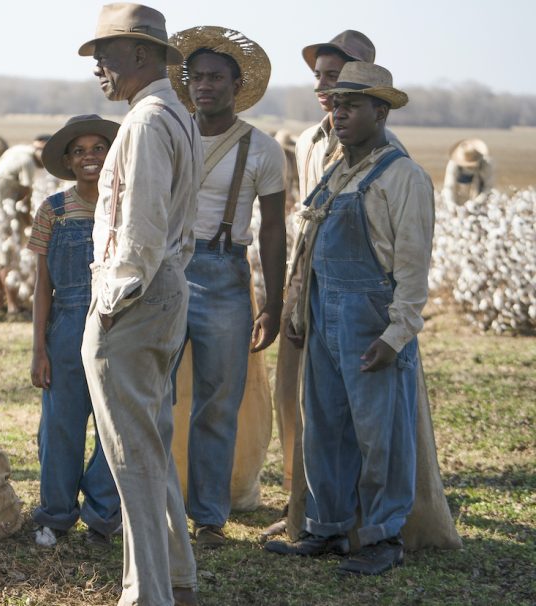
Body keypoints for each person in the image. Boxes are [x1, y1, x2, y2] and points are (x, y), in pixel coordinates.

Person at [266, 62, 433, 575]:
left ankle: (384, 538)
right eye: (335, 104)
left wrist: (396, 334)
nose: (339, 113)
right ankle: (328, 527)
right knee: (325, 426)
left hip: (370, 319)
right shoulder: (337, 171)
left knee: (380, 432)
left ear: (381, 111)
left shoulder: (402, 175)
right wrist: (298, 307)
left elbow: (412, 267)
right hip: (321, 314)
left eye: (353, 105)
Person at [76, 4, 202, 605]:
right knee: (149, 439)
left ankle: (147, 593)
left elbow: (143, 230)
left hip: (137, 296)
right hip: (165, 291)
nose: (98, 65)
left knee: (132, 455)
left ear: (144, 55)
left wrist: (110, 301)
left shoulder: (149, 122)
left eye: (107, 53)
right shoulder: (171, 115)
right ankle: (176, 574)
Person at [165, 25, 286, 548]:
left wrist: (274, 301)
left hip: (226, 275)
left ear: (238, 85)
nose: (204, 86)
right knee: (153, 392)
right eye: (197, 77)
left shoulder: (262, 149)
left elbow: (276, 228)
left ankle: (209, 516)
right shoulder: (168, 132)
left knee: (218, 401)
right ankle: (150, 503)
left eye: (217, 77)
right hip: (166, 269)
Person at [27, 115, 122, 547]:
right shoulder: (54, 210)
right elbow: (41, 287)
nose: (90, 157)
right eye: (80, 150)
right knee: (60, 426)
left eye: (98, 148)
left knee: (112, 427)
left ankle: (102, 516)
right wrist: (38, 350)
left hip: (116, 324)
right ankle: (56, 514)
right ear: (68, 160)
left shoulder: (125, 207)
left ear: (113, 154)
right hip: (66, 325)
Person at [0, 136, 49, 314]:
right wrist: (32, 224)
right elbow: (26, 197)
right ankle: (12, 306)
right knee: (7, 256)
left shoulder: (18, 150)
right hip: (1, 209)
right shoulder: (27, 162)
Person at [442, 138, 494, 206]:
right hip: (457, 200)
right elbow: (449, 187)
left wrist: (477, 202)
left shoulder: (486, 165)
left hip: (479, 202)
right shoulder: (454, 165)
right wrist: (451, 204)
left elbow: (488, 188)